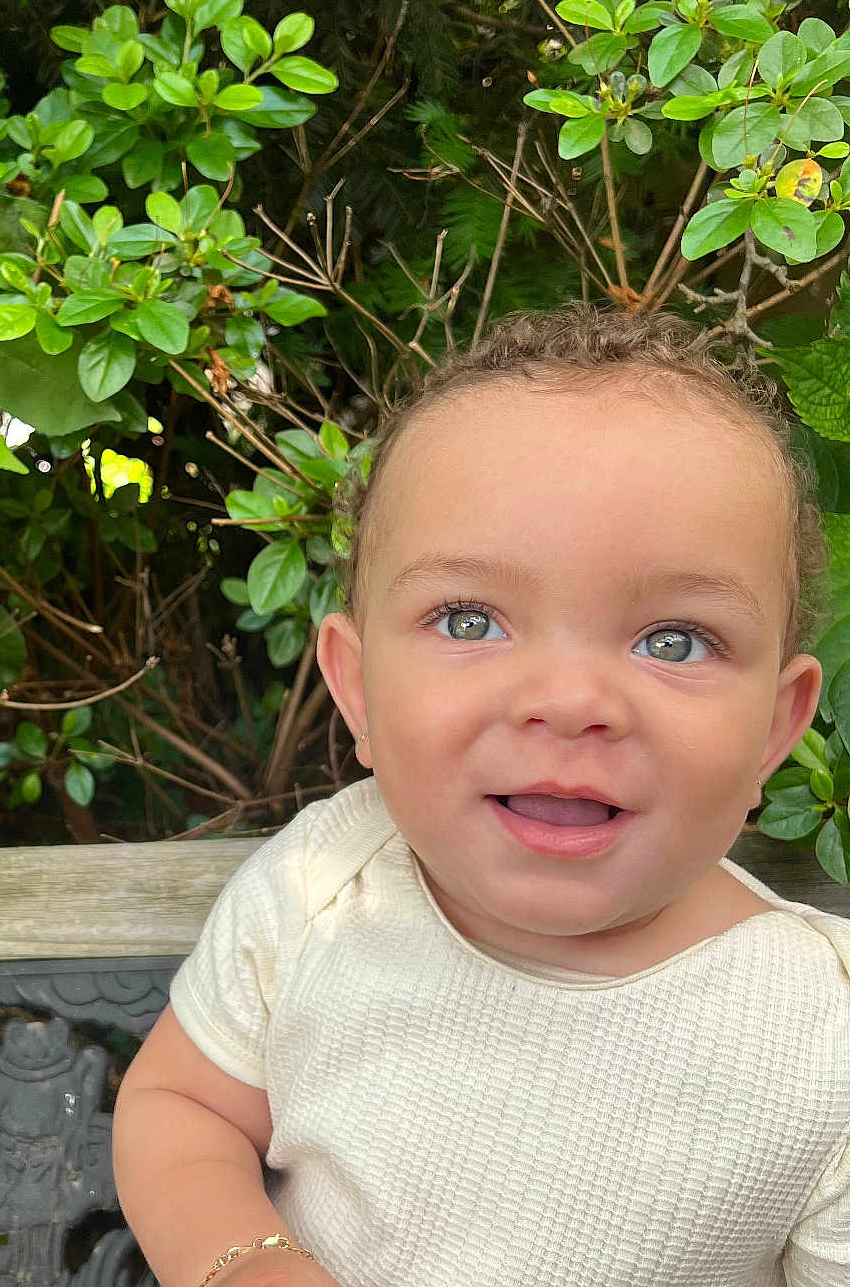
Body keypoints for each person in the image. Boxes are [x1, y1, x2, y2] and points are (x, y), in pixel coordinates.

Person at [111, 304, 850, 1287]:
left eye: (674, 639)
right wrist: (247, 1265)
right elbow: (184, 1107)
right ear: (360, 685)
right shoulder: (319, 891)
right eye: (469, 620)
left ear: (774, 726)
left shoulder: (821, 1038)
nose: (570, 702)